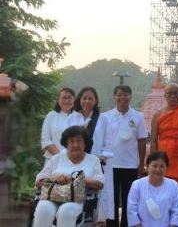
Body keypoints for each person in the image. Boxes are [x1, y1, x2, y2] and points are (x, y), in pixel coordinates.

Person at [34, 126, 104, 227]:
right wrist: (54, 178)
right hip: (52, 196)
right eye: (71, 141)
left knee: (66, 211)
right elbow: (38, 181)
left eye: (79, 141)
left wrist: (77, 179)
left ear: (85, 143)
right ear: (66, 144)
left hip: (76, 199)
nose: (75, 144)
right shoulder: (56, 159)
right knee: (43, 209)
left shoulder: (93, 160)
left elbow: (100, 184)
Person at [68, 87, 114, 224]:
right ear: (79, 100)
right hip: (76, 164)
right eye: (84, 98)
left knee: (98, 201)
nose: (87, 101)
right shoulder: (72, 118)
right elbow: (66, 142)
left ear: (95, 101)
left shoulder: (103, 119)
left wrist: (101, 157)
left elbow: (109, 142)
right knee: (76, 198)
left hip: (97, 163)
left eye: (90, 98)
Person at [103, 85, 148, 227]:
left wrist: (141, 164)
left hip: (130, 165)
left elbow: (142, 141)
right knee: (112, 199)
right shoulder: (106, 116)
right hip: (110, 165)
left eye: (126, 95)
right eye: (120, 95)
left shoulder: (138, 117)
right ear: (114, 97)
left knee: (129, 199)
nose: (123, 98)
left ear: (130, 97)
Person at [127, 151, 178, 227]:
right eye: (154, 165)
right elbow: (132, 212)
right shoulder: (137, 185)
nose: (158, 169)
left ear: (166, 168)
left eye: (162, 166)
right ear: (147, 166)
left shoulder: (173, 185)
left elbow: (177, 212)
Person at [41, 87, 76, 163]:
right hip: (53, 160)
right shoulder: (51, 116)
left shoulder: (79, 117)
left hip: (75, 161)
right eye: (63, 98)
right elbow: (46, 140)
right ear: (58, 100)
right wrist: (61, 157)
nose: (66, 100)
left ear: (74, 100)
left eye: (69, 98)